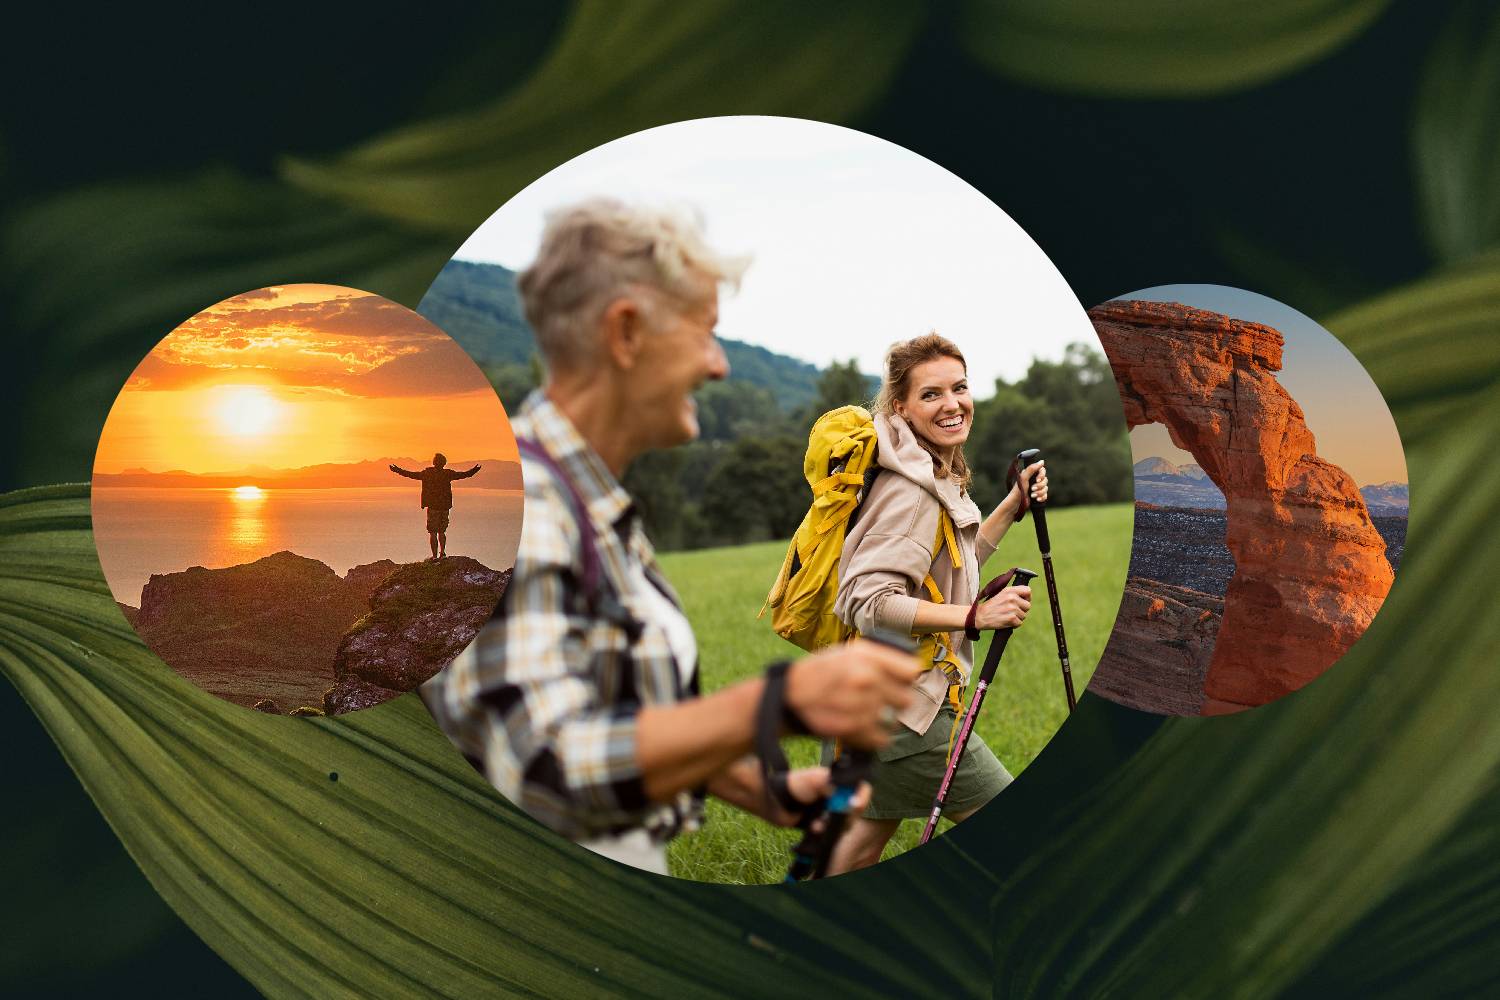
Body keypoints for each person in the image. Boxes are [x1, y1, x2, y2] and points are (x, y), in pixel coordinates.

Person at [423, 198, 919, 875]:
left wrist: (761, 789)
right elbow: (543, 762)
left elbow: (610, 701)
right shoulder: (521, 510)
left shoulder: (586, 503)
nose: (719, 365)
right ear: (625, 333)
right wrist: (774, 704)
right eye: (706, 331)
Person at [826, 333, 1048, 874]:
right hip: (906, 718)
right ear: (900, 406)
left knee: (854, 852)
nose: (952, 404)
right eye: (931, 394)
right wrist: (975, 617)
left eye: (960, 387)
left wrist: (1012, 505)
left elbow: (951, 563)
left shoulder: (922, 472)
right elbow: (867, 600)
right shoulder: (911, 493)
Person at [389, 453, 481, 560]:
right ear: (444, 463)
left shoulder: (427, 473)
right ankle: (442, 553)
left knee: (433, 532)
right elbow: (464, 475)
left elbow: (411, 474)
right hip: (444, 507)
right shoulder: (447, 474)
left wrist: (397, 470)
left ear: (434, 462)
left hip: (433, 507)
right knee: (442, 531)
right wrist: (474, 470)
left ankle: (434, 556)